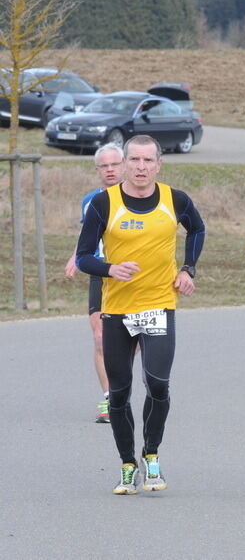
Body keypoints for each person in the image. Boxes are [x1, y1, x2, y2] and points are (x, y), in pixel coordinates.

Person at [75, 135, 206, 495]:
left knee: (158, 384)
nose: (141, 167)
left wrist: (188, 269)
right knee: (118, 393)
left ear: (159, 164)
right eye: (134, 160)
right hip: (117, 309)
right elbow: (84, 255)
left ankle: (151, 454)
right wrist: (109, 268)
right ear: (125, 163)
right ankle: (127, 463)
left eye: (148, 161)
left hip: (159, 304)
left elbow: (197, 228)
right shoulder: (104, 202)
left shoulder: (175, 199)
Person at [65, 143, 126, 423]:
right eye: (105, 166)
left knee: (132, 342)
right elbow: (87, 236)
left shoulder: (141, 197)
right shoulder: (91, 200)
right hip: (100, 275)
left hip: (135, 277)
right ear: (98, 169)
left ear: (124, 165)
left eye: (115, 164)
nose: (110, 170)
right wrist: (74, 257)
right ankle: (109, 399)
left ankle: (131, 390)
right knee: (100, 338)